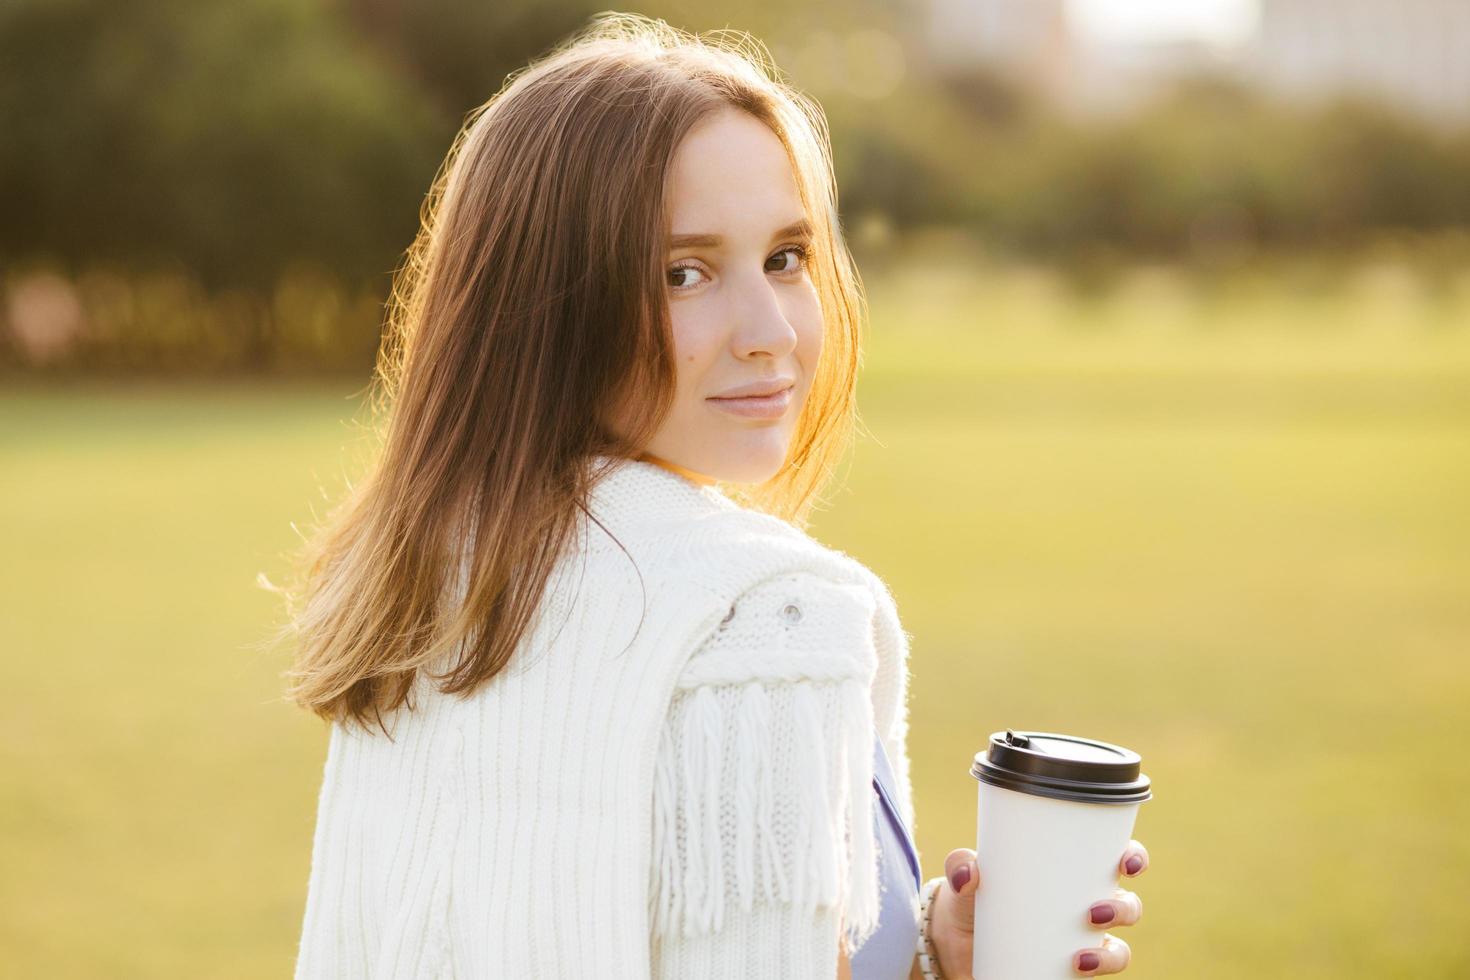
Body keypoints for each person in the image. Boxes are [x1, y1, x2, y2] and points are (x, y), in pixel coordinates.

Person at [277, 12, 1149, 979]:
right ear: (547, 305)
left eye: (785, 257)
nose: (769, 330)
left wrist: (918, 947)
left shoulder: (424, 576)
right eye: (684, 273)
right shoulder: (763, 622)